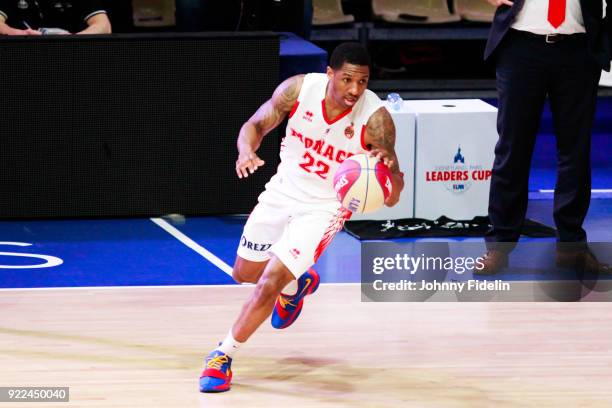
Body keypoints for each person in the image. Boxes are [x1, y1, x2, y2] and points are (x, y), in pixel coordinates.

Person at [199, 42, 405, 393]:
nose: (355, 90)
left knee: (268, 284)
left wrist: (389, 174)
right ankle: (297, 286)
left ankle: (222, 356)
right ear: (330, 74)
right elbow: (255, 124)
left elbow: (393, 197)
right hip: (283, 190)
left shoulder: (377, 120)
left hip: (324, 207)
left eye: (363, 81)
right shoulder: (298, 88)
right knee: (245, 273)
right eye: (347, 80)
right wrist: (246, 150)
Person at [476, 0, 612, 274]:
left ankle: (571, 246)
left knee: (576, 150)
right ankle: (499, 245)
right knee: (512, 148)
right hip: (519, 46)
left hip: (579, 48)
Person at [0, 0, 111, 35]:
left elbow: (104, 25)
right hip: (22, 55)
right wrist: (20, 34)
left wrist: (74, 37)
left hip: (71, 56)